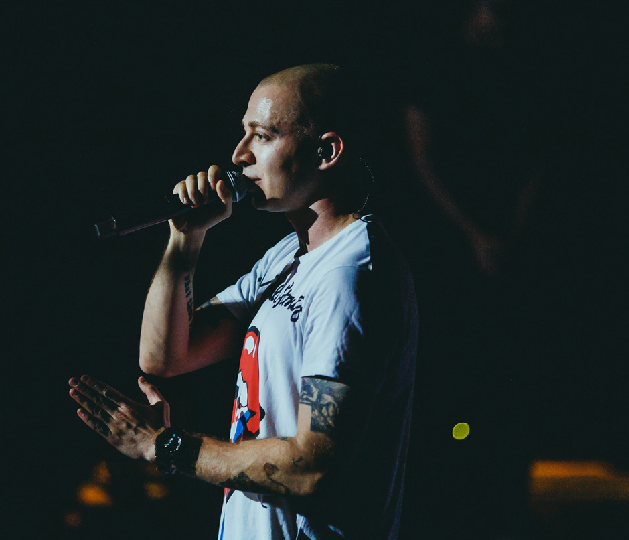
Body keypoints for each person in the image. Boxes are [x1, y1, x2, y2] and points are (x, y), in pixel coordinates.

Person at [69, 64, 418, 540]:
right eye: (243, 133)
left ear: (327, 152)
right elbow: (165, 356)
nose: (239, 155)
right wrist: (185, 239)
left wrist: (164, 446)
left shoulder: (351, 275)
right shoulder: (288, 256)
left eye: (263, 135)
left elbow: (311, 466)